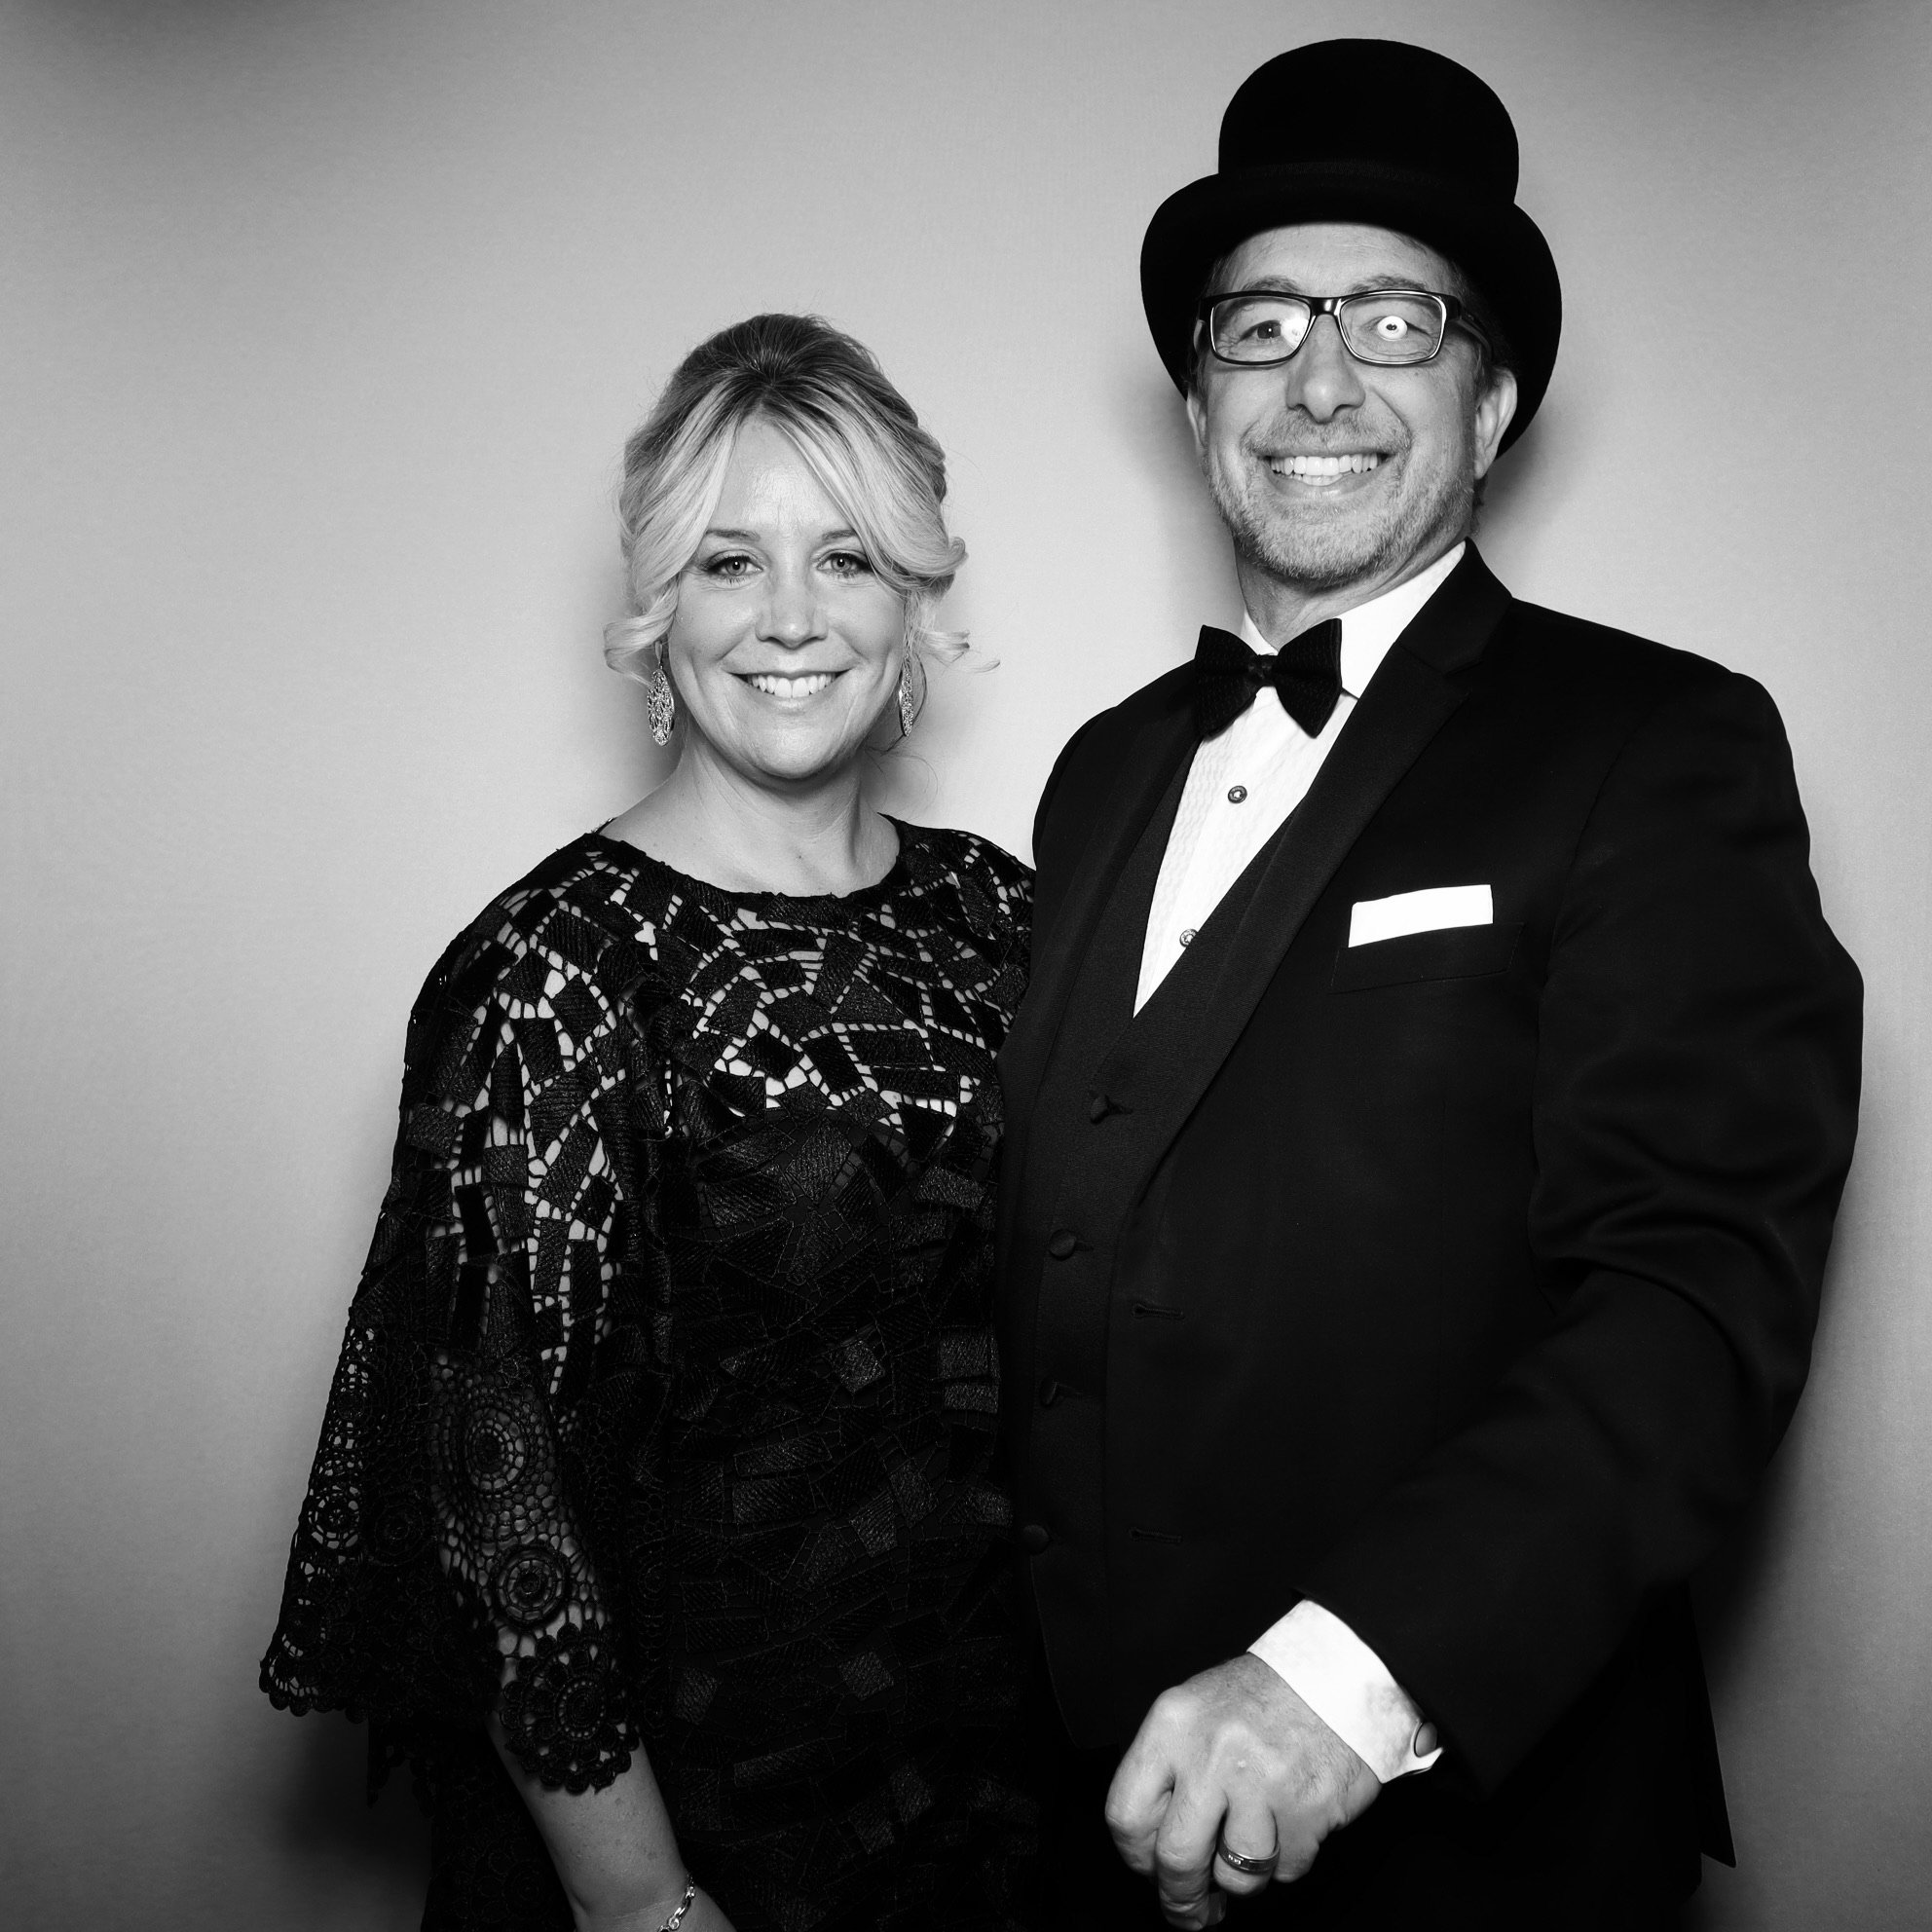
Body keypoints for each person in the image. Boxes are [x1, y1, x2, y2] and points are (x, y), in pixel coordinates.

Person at [997, 39, 1862, 1930]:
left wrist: (1332, 1684)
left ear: (1487, 407)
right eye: (1259, 324)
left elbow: (1693, 1291)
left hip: (1474, 1839)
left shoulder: (1657, 741)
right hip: (1071, 1816)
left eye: (1394, 320)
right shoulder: (1095, 769)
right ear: (1193, 394)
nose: (1317, 378)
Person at [262, 314, 1039, 1932]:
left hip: (1010, 1806)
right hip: (708, 1839)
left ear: (914, 597)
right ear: (657, 604)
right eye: (727, 563)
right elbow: (496, 1498)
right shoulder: (550, 974)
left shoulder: (1007, 918)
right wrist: (643, 1909)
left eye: (847, 559)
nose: (792, 621)